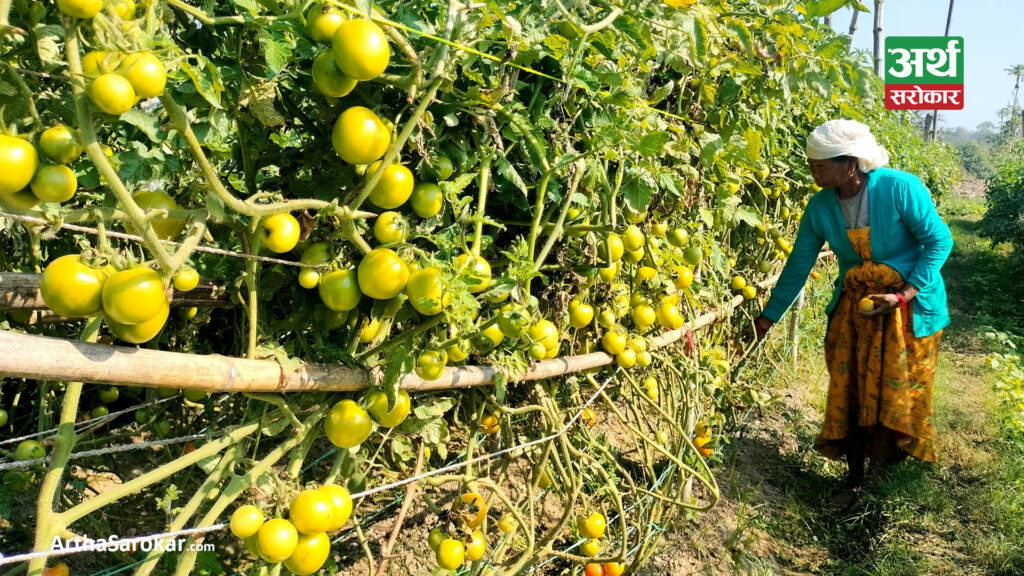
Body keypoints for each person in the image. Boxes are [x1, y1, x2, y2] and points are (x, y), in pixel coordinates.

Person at [754, 119, 953, 506]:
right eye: (811, 163)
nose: (813, 171)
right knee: (854, 389)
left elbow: (938, 241)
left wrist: (904, 294)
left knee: (890, 393)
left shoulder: (899, 188)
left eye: (821, 164)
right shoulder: (820, 206)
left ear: (852, 164)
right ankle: (855, 478)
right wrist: (768, 317)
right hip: (857, 312)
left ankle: (877, 483)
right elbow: (799, 263)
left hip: (909, 308)